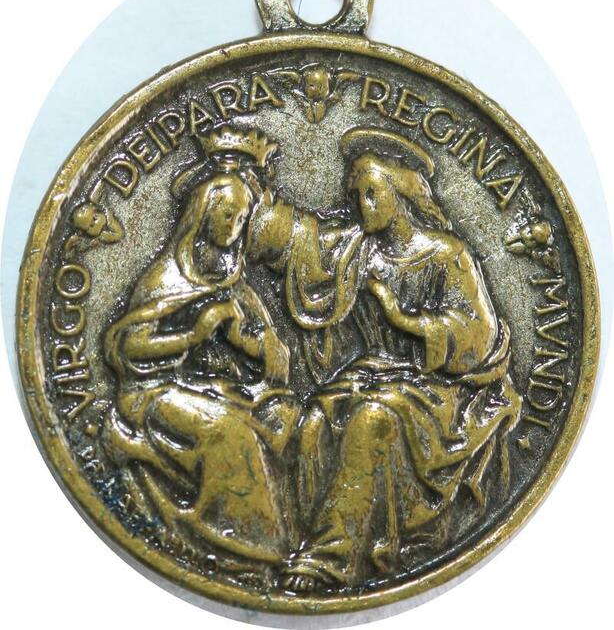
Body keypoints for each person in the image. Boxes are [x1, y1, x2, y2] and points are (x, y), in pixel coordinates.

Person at [282, 128, 523, 591]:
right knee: (312, 423)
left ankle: (329, 561)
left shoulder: (447, 254)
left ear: (401, 192)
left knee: (371, 420)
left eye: (372, 193)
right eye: (356, 195)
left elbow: (477, 337)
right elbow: (303, 244)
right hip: (374, 375)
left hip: (440, 390)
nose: (362, 205)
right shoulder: (358, 251)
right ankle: (307, 541)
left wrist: (404, 319)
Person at [102, 135, 300, 571]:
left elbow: (265, 344)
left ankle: (284, 537)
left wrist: (257, 347)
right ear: (203, 213)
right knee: (229, 432)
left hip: (214, 388)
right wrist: (196, 333)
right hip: (153, 393)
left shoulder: (230, 278)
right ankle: (240, 546)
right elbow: (126, 349)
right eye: (226, 215)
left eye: (242, 218)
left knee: (288, 420)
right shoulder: (167, 278)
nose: (233, 227)